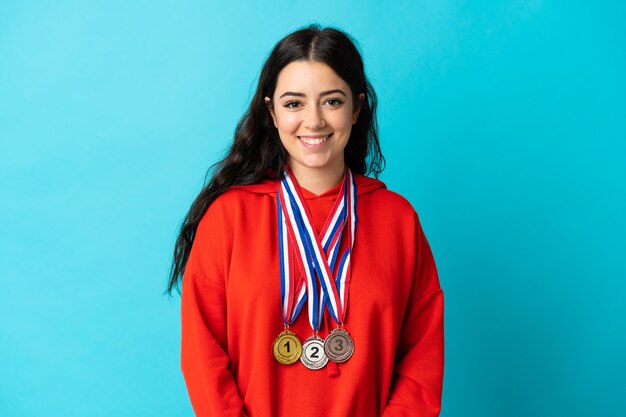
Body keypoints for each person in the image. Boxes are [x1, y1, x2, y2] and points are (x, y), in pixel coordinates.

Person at [167, 24, 444, 417]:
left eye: (331, 101)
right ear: (272, 112)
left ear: (357, 106)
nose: (313, 121)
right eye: (294, 103)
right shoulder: (228, 218)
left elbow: (422, 360)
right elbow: (203, 357)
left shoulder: (397, 219)